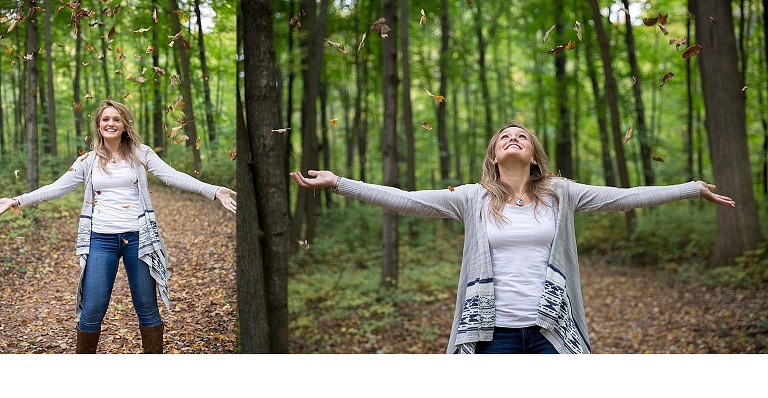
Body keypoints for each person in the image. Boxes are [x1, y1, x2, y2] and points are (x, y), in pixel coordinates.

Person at [290, 120, 735, 354]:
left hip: (550, 329)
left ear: (533, 155)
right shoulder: (469, 198)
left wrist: (690, 188)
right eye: (505, 136)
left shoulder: (563, 194)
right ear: (494, 155)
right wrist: (338, 182)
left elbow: (625, 196)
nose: (513, 138)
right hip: (492, 332)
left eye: (522, 136)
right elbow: (403, 198)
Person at [0, 100, 237, 354]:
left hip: (139, 240)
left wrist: (213, 190)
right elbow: (58, 187)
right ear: (98, 125)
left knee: (147, 308)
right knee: (92, 310)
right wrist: (17, 200)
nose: (110, 123)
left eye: (116, 119)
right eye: (105, 119)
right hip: (100, 240)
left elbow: (172, 175)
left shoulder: (141, 153)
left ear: (124, 125)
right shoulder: (87, 161)